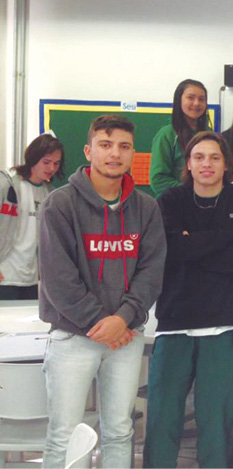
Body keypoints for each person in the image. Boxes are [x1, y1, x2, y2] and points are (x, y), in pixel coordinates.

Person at [39, 115, 166, 468]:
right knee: (64, 434)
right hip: (73, 335)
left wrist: (122, 320)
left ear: (133, 154)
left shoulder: (146, 208)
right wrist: (103, 323)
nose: (115, 154)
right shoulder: (60, 204)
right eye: (106, 145)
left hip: (125, 336)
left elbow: (151, 272)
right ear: (88, 151)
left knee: (120, 430)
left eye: (124, 146)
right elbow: (58, 279)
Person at [144, 132, 233, 468]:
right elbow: (171, 249)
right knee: (162, 417)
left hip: (223, 323)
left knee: (216, 421)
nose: (206, 164)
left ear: (226, 164)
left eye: (214, 157)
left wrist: (193, 246)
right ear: (188, 163)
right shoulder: (171, 200)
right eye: (199, 157)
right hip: (175, 323)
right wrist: (227, 238)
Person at [0, 133, 64, 299]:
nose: (52, 168)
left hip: (33, 280)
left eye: (56, 163)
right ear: (33, 158)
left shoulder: (50, 195)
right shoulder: (7, 185)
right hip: (5, 277)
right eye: (46, 162)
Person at [150, 78, 211, 196]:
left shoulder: (209, 134)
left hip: (204, 200)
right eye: (191, 98)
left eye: (201, 99)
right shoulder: (167, 134)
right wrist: (190, 192)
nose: (196, 103)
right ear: (179, 100)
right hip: (175, 202)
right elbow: (158, 180)